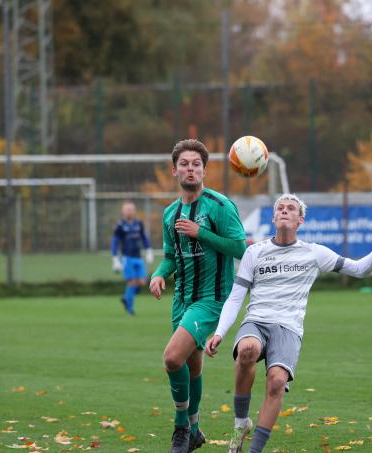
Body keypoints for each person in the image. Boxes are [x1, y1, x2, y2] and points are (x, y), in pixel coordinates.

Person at [205, 194, 372, 453]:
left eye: (291, 209)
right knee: (247, 350)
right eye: (280, 208)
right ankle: (241, 423)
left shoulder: (314, 252)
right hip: (257, 321)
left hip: (288, 328)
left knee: (276, 382)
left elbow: (360, 269)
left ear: (300, 220)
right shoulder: (255, 252)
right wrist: (219, 333)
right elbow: (236, 296)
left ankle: (254, 451)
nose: (285, 211)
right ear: (273, 218)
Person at [149, 139, 247, 453]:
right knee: (191, 367)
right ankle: (195, 431)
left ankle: (181, 428)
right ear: (175, 170)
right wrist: (159, 274)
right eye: (184, 164)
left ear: (204, 169)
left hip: (213, 297)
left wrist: (199, 232)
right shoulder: (169, 214)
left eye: (196, 164)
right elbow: (169, 256)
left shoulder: (219, 206)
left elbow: (239, 248)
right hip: (182, 300)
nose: (190, 168)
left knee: (171, 357)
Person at [111, 201, 153, 315]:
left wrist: (148, 250)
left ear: (134, 211)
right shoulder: (120, 226)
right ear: (123, 211)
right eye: (127, 209)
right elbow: (115, 242)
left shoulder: (139, 223)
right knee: (132, 281)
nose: (129, 211)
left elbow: (144, 237)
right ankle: (130, 309)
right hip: (126, 257)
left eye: (131, 209)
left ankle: (126, 297)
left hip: (138, 256)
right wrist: (115, 258)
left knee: (142, 281)